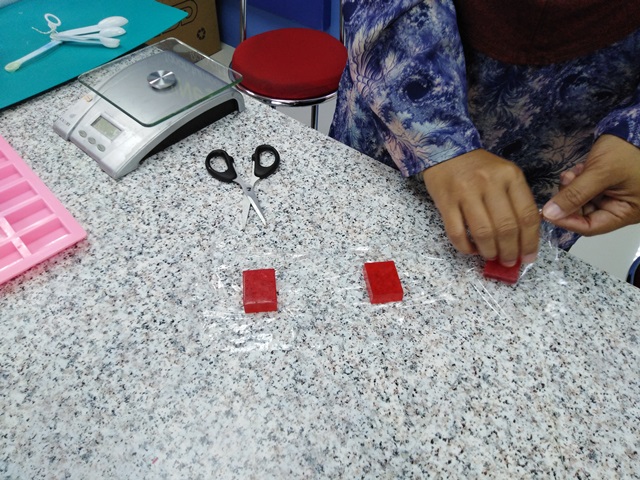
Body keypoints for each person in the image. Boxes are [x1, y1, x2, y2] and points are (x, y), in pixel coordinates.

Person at [329, 0, 640, 267]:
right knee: (346, 247)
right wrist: (441, 141)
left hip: (572, 138)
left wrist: (634, 134)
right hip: (395, 113)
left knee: (502, 274)